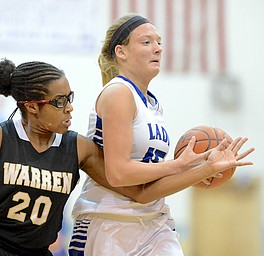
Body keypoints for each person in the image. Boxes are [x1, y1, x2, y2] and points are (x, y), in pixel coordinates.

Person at [68, 14, 255, 256]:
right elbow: (118, 173)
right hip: (108, 222)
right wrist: (178, 166)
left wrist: (204, 169)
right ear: (121, 52)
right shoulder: (118, 93)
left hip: (153, 221)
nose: (158, 48)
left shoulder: (153, 105)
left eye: (159, 42)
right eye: (146, 42)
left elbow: (148, 190)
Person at [0, 58, 154, 256]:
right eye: (59, 102)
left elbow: (137, 191)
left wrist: (181, 168)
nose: (69, 108)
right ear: (32, 106)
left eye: (69, 98)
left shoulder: (78, 148)